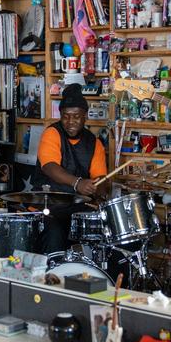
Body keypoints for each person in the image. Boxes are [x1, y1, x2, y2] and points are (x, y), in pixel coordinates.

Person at [31, 84, 109, 253]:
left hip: (78, 207)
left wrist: (99, 190)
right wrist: (78, 183)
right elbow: (49, 167)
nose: (70, 122)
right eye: (66, 116)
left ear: (85, 117)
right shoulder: (52, 133)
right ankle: (52, 277)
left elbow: (100, 178)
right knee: (55, 234)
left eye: (76, 116)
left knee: (106, 232)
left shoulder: (94, 143)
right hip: (48, 206)